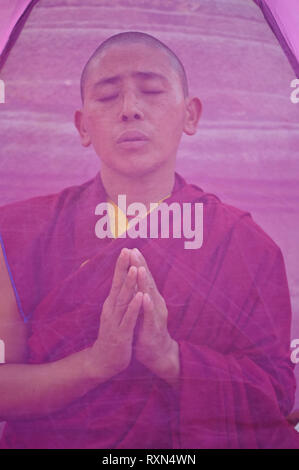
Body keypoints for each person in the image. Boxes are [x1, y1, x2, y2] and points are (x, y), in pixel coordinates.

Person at [0, 31, 298, 449]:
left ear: (190, 115)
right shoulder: (19, 234)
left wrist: (171, 358)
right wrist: (95, 363)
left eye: (152, 91)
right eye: (106, 97)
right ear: (83, 126)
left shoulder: (246, 245)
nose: (129, 110)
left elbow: (276, 393)